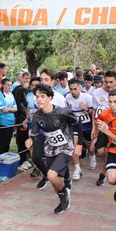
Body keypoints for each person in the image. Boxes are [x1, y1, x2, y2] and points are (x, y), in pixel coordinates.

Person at [26, 84, 83, 214]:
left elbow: (78, 122)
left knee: (51, 175)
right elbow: (34, 134)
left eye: (42, 96)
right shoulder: (37, 116)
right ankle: (67, 180)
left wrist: (79, 143)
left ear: (50, 98)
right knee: (55, 178)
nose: (39, 99)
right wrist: (29, 140)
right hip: (50, 148)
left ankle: (63, 198)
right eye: (37, 97)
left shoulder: (62, 112)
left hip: (65, 147)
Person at [92, 71, 116, 184]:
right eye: (106, 82)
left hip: (114, 129)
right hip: (102, 127)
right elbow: (94, 111)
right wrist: (94, 128)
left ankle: (102, 174)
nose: (108, 84)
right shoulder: (96, 93)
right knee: (100, 152)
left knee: (109, 151)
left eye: (111, 82)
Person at [65, 78, 94, 178]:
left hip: (86, 125)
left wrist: (86, 108)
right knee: (74, 146)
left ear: (80, 88)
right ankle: (77, 169)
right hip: (75, 126)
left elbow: (93, 112)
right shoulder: (67, 97)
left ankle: (92, 155)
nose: (73, 91)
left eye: (75, 89)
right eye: (71, 89)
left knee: (90, 147)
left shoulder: (88, 97)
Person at [0, 78, 17, 155]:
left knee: (7, 143)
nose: (9, 87)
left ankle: (6, 159)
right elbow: (4, 110)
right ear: (3, 85)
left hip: (11, 122)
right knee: (2, 143)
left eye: (10, 85)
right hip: (3, 122)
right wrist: (11, 109)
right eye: (7, 85)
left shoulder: (11, 94)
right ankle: (0, 160)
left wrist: (9, 109)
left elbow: (16, 108)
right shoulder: (0, 95)